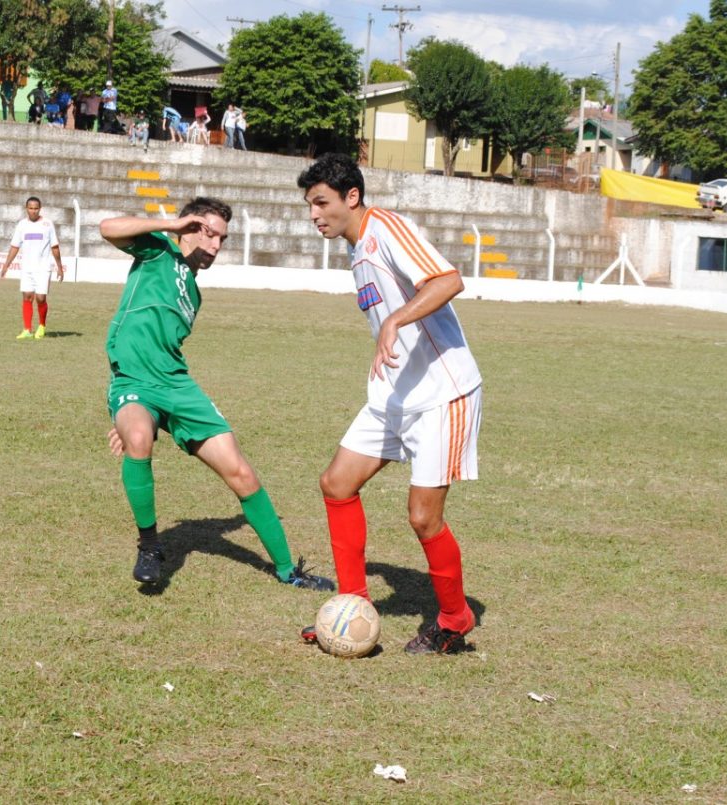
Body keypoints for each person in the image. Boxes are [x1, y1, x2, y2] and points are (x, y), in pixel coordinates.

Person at [297, 153, 482, 655]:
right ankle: (352, 606)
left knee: (423, 517)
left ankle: (454, 620)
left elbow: (448, 280)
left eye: (321, 203)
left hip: (442, 394)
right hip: (394, 393)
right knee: (337, 483)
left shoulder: (388, 229)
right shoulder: (359, 248)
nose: (314, 214)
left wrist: (397, 321)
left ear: (351, 197)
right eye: (309, 205)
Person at [99, 197, 334, 590]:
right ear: (191, 227)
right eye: (210, 235)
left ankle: (287, 570)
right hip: (135, 383)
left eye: (222, 239)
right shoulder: (156, 248)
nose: (215, 247)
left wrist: (148, 417)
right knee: (138, 438)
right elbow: (107, 227)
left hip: (177, 386)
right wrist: (172, 225)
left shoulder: (194, 292)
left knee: (240, 472)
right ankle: (151, 547)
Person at [0, 197, 65, 340]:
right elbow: (15, 246)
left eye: (36, 208)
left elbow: (55, 247)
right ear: (26, 208)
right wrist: (6, 265)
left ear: (40, 209)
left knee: (40, 298)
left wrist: (59, 267)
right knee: (27, 297)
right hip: (27, 268)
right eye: (30, 208)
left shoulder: (47, 224)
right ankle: (27, 330)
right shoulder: (22, 225)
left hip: (43, 267)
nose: (33, 211)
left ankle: (41, 326)